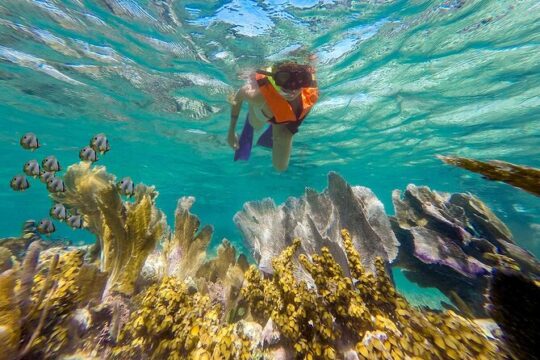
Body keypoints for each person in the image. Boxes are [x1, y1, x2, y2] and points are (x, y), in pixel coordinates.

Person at [227, 61, 319, 172]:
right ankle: (251, 117)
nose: (293, 88)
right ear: (275, 78)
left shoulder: (311, 92)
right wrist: (231, 131)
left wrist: (290, 129)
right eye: (284, 78)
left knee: (280, 167)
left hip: (286, 116)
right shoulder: (257, 96)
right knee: (256, 124)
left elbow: (305, 109)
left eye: (301, 79)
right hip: (267, 109)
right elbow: (238, 96)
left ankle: (279, 123)